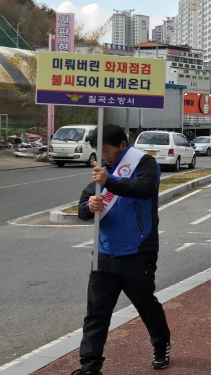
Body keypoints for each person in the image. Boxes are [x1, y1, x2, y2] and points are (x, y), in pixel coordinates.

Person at [72, 124, 170, 375]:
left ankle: (161, 344)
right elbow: (82, 207)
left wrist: (110, 181)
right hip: (104, 253)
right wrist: (88, 207)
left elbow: (144, 189)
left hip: (138, 251)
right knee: (96, 312)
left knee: (145, 304)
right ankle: (90, 366)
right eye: (99, 151)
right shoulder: (102, 171)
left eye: (107, 150)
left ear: (122, 145)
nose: (103, 156)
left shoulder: (144, 163)